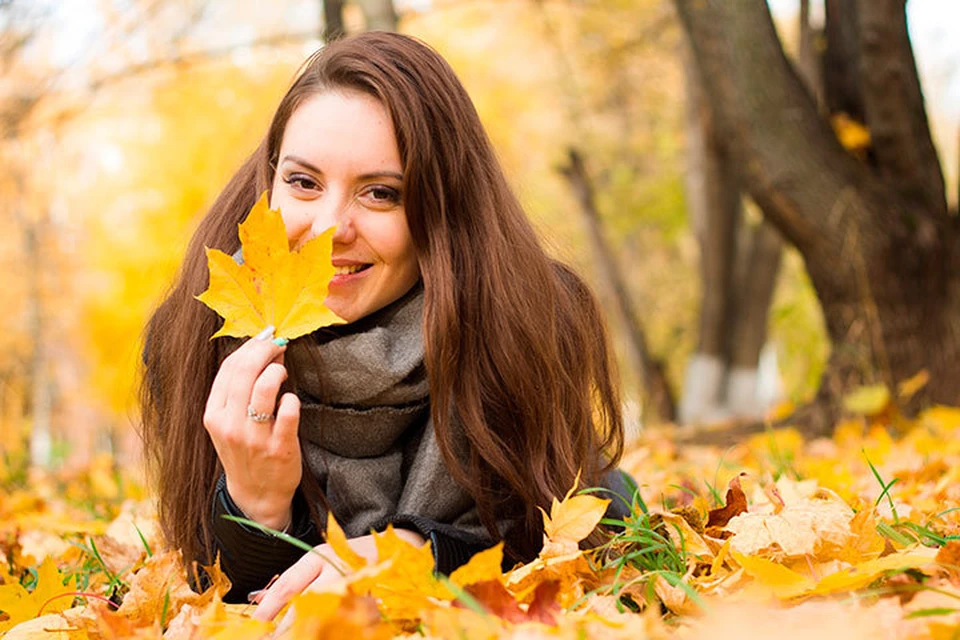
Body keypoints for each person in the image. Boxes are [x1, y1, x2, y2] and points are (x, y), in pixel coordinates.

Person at [139, 31, 630, 620]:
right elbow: (225, 591)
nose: (328, 228)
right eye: (303, 182)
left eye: (381, 193)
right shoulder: (202, 331)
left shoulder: (526, 323)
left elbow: (569, 524)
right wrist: (256, 507)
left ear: (444, 212)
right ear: (269, 182)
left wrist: (413, 552)